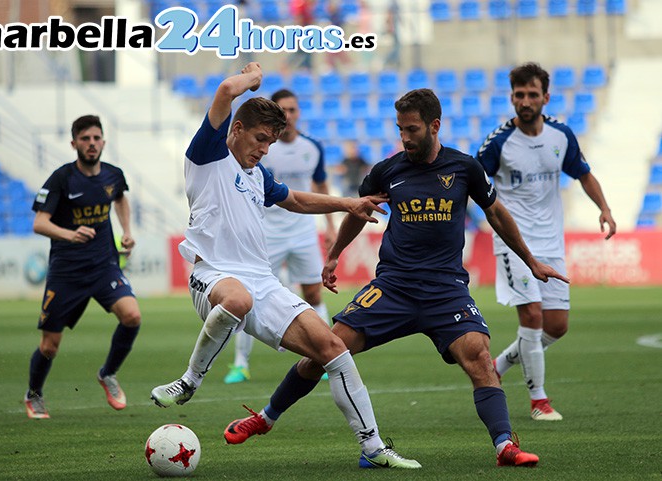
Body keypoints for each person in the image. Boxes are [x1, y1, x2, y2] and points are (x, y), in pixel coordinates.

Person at [221, 88, 570, 467]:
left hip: (446, 290)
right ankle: (265, 417)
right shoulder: (388, 171)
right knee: (326, 348)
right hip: (394, 288)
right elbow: (359, 212)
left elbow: (497, 214)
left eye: (413, 129)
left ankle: (504, 446)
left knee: (480, 358)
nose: (405, 137)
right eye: (401, 129)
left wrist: (531, 261)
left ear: (434, 126)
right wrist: (335, 254)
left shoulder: (465, 168)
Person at [150, 63, 420, 469]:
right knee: (237, 299)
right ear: (237, 129)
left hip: (263, 282)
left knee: (333, 348)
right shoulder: (208, 156)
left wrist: (349, 203)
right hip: (212, 276)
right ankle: (189, 381)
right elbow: (225, 90)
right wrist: (252, 79)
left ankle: (373, 447)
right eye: (260, 138)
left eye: (271, 142)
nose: (264, 148)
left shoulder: (257, 175)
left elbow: (295, 199)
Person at [476, 62, 616, 421]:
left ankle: (498, 365)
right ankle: (539, 401)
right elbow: (472, 182)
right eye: (519, 95)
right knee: (533, 317)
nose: (525, 101)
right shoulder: (498, 142)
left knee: (556, 326)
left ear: (545, 97)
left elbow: (583, 174)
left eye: (532, 94)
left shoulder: (561, 136)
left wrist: (604, 208)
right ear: (512, 98)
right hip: (513, 241)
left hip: (551, 241)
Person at [24, 115, 141, 419]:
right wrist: (70, 234)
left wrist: (126, 230)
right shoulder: (62, 178)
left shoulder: (113, 175)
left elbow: (120, 199)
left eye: (96, 138)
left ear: (103, 141)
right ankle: (34, 394)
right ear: (74, 143)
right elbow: (39, 223)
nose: (92, 144)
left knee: (132, 316)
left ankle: (108, 374)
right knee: (50, 346)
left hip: (104, 266)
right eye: (85, 139)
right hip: (67, 273)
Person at [224, 88, 336, 384]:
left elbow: (319, 187)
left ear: (299, 112)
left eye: (293, 109)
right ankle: (240, 364)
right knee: (247, 298)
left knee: (313, 293)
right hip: (266, 233)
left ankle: (322, 357)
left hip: (302, 231)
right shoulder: (257, 147)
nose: (289, 115)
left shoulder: (312, 147)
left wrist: (331, 226)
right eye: (283, 110)